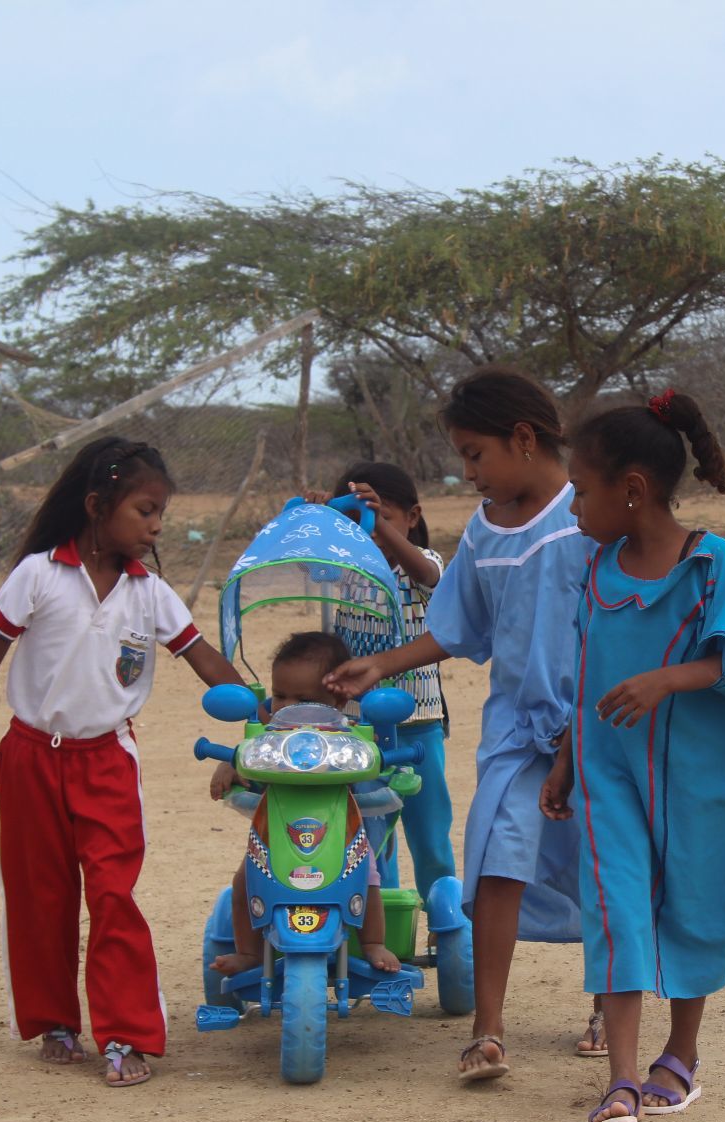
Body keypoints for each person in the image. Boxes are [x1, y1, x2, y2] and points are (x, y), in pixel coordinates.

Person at [325, 367, 602, 1082]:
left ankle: (608, 1004)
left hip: (597, 723)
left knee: (604, 866)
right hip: (517, 730)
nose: (468, 471)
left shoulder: (590, 514)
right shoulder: (483, 531)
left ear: (522, 438)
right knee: (496, 861)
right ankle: (488, 1028)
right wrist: (379, 664)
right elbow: (458, 624)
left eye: (476, 453)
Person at [540, 390, 725, 1122]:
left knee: (693, 904)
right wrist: (564, 760)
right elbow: (588, 679)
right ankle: (620, 1080)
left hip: (697, 775)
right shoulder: (594, 572)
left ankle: (679, 1053)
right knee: (617, 909)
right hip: (609, 774)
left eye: (581, 492)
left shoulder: (710, 562)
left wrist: (665, 680)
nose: (573, 510)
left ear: (633, 490)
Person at [0, 438, 246, 1087]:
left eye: (160, 516)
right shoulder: (38, 574)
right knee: (42, 895)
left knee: (114, 893)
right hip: (29, 754)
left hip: (107, 760)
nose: (153, 527)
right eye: (144, 511)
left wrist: (270, 708)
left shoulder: (151, 594)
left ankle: (124, 1032)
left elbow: (208, 665)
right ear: (96, 506)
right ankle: (54, 1020)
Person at [207, 631, 401, 975]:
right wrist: (230, 763)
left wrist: (388, 764)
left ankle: (372, 942)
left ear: (337, 700)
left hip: (341, 832)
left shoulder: (348, 735)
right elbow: (246, 757)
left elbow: (375, 762)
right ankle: (250, 953)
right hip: (276, 833)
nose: (287, 707)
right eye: (279, 696)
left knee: (367, 877)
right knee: (244, 881)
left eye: (304, 699)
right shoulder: (268, 738)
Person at [307, 462, 457, 902]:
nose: (368, 533)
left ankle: (442, 919)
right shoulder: (342, 570)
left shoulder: (423, 564)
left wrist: (379, 529)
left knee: (430, 832)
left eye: (381, 518)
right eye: (354, 524)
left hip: (419, 724)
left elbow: (429, 575)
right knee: (372, 835)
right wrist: (321, 520)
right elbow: (308, 561)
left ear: (412, 516)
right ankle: (382, 923)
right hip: (359, 729)